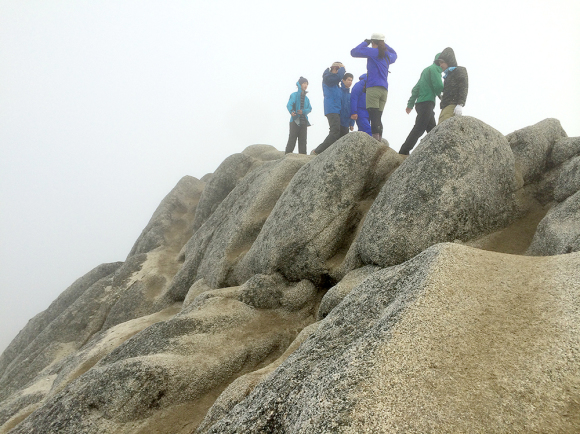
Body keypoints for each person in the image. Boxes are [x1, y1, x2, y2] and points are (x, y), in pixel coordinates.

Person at [351, 33, 397, 141]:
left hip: (373, 88)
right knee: (378, 117)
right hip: (384, 90)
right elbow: (395, 53)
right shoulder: (388, 55)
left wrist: (365, 42)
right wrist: (385, 45)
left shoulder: (373, 52)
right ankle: (379, 141)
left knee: (373, 117)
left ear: (373, 42)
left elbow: (354, 52)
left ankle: (375, 143)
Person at [399, 53, 444, 155]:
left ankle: (435, 152)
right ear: (441, 61)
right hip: (427, 103)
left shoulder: (426, 70)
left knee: (432, 129)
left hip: (420, 104)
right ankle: (404, 151)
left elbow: (416, 88)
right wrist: (445, 94)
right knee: (419, 128)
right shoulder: (435, 69)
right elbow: (438, 85)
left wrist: (410, 104)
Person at [312, 62, 346, 155]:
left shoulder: (334, 82)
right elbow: (337, 78)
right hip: (332, 109)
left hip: (336, 108)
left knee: (338, 132)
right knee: (335, 131)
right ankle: (318, 151)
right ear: (335, 68)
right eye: (339, 70)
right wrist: (342, 69)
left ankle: (329, 152)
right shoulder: (328, 78)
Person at [437, 47, 468, 124]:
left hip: (452, 105)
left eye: (442, 62)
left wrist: (460, 104)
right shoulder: (448, 75)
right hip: (445, 107)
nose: (440, 65)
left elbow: (463, 87)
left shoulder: (459, 71)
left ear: (448, 61)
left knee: (444, 128)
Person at [285, 77, 312, 154]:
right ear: (300, 84)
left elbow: (310, 108)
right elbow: (289, 104)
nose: (305, 85)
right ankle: (287, 155)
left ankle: (303, 157)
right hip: (295, 120)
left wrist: (303, 111)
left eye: (306, 83)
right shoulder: (294, 95)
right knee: (292, 139)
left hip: (304, 121)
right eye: (304, 83)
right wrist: (292, 111)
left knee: (303, 140)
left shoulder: (307, 98)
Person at [339, 73, 355, 137]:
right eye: (348, 80)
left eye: (351, 80)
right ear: (343, 80)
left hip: (346, 124)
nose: (350, 82)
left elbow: (352, 109)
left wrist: (352, 123)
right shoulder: (338, 91)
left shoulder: (350, 95)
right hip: (338, 122)